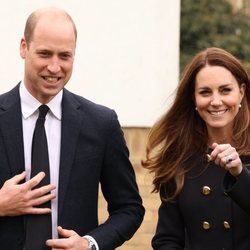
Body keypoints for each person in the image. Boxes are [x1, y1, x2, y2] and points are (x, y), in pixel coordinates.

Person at [0, 7, 144, 250]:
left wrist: (90, 244)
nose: (55, 68)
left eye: (64, 56)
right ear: (24, 47)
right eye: (45, 54)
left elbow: (129, 209)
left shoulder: (101, 124)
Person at [142, 47, 250, 249]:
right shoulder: (178, 159)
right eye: (205, 92)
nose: (216, 101)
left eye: (225, 90)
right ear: (194, 98)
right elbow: (167, 240)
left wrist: (239, 174)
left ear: (241, 92)